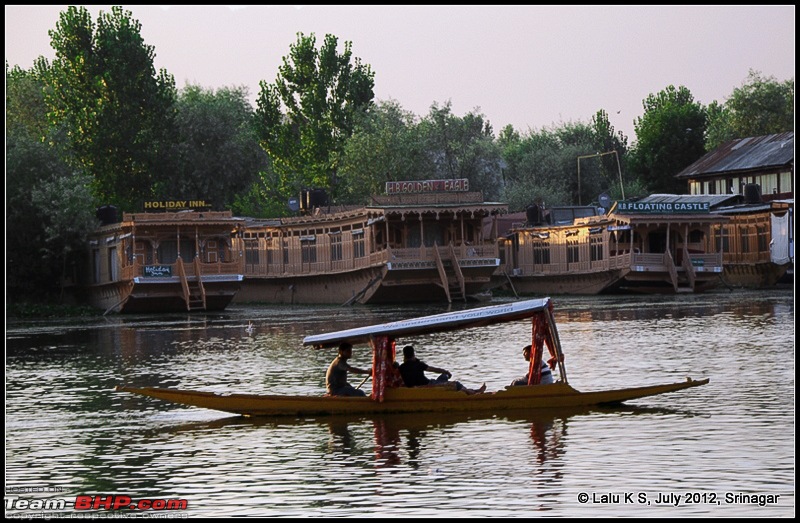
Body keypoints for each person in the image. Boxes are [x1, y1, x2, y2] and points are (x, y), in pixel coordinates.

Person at [399, 345, 486, 394]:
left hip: (428, 383)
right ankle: (473, 393)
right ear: (413, 354)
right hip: (428, 385)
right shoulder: (417, 364)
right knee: (456, 384)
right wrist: (445, 371)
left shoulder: (402, 367)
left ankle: (474, 390)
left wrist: (445, 373)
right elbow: (433, 369)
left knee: (444, 377)